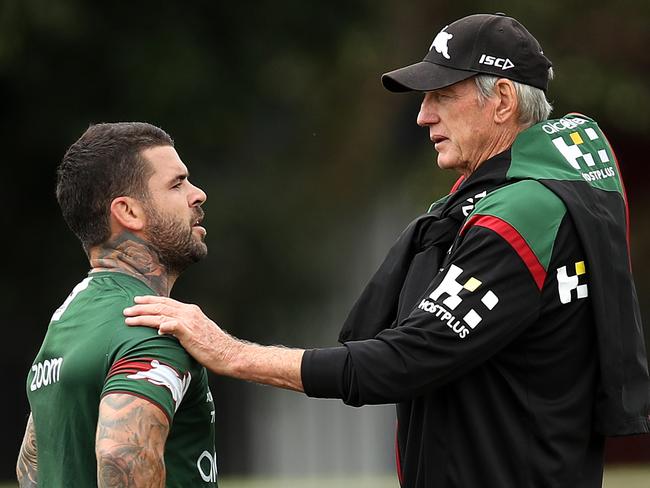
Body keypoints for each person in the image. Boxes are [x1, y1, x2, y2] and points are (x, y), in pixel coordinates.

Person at [123, 13, 650, 488]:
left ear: (504, 100)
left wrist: (230, 353)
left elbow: (406, 359)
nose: (423, 116)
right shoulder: (530, 196)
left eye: (442, 94)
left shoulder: (524, 214)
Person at [16, 122, 218, 487]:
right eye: (177, 183)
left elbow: (32, 466)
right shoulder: (154, 323)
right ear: (129, 212)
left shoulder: (67, 319)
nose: (198, 194)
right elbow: (120, 455)